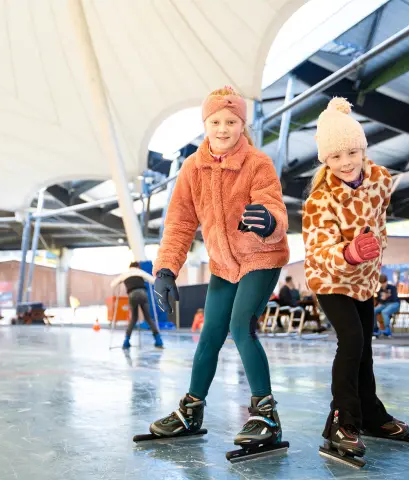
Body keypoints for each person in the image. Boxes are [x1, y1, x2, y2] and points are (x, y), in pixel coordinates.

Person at [146, 86, 290, 455]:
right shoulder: (193, 168)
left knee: (240, 325)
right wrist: (165, 270)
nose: (223, 128)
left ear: (242, 124)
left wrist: (267, 221)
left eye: (231, 121)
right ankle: (192, 412)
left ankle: (266, 415)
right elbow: (179, 223)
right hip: (224, 265)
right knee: (210, 334)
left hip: (261, 256)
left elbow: (274, 209)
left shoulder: (258, 163)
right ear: (205, 124)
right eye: (215, 121)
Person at [302, 97, 409, 464]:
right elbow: (318, 249)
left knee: (365, 346)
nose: (346, 162)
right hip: (330, 277)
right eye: (335, 157)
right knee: (351, 340)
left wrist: (376, 247)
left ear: (363, 148)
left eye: (352, 151)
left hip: (364, 278)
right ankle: (342, 421)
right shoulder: (320, 199)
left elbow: (379, 217)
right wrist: (349, 253)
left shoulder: (381, 179)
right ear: (325, 160)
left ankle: (371, 415)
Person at [110, 261, 163, 349]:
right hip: (143, 294)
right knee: (148, 318)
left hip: (132, 295)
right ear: (138, 267)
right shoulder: (140, 272)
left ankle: (126, 341)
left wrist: (121, 281)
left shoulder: (124, 274)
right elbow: (153, 281)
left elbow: (112, 285)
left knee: (134, 319)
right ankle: (158, 340)